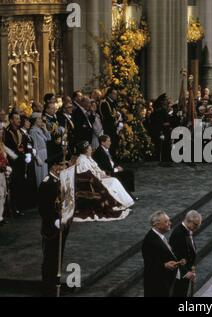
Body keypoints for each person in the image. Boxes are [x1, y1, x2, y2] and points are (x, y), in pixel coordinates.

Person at [74, 141, 133, 222]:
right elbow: (87, 176)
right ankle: (117, 203)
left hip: (100, 178)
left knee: (114, 180)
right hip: (94, 183)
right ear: (85, 150)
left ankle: (126, 202)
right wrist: (100, 176)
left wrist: (104, 174)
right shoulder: (81, 161)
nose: (91, 149)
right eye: (89, 148)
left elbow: (97, 169)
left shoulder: (89, 158)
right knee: (112, 182)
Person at [39, 160, 71, 297]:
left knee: (59, 256)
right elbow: (43, 207)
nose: (64, 167)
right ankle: (48, 286)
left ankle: (56, 282)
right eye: (62, 165)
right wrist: (54, 221)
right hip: (51, 227)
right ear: (55, 166)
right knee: (50, 257)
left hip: (62, 223)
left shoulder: (59, 180)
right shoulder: (47, 183)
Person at [142, 211, 182, 297]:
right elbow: (149, 263)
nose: (170, 223)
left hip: (165, 282)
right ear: (157, 225)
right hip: (157, 285)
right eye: (166, 221)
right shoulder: (150, 240)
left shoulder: (159, 236)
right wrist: (164, 265)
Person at [170, 210, 203, 297]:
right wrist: (185, 272)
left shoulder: (187, 231)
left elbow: (191, 251)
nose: (197, 227)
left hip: (187, 270)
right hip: (181, 272)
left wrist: (192, 270)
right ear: (189, 220)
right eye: (196, 224)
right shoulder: (178, 233)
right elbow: (175, 255)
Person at [30, 115, 52, 187]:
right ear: (35, 121)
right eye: (39, 119)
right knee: (40, 174)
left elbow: (49, 139)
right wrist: (37, 157)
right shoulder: (33, 131)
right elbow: (34, 145)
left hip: (44, 154)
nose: (41, 120)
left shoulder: (40, 130)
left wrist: (45, 129)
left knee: (44, 173)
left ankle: (44, 189)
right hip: (39, 154)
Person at [99, 88, 120, 158]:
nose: (115, 96)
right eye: (114, 94)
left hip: (114, 127)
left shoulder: (113, 102)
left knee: (113, 145)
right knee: (109, 146)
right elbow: (107, 116)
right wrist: (116, 117)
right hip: (108, 127)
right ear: (110, 94)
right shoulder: (105, 103)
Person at [0, 127, 12, 226]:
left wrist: (7, 166)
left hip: (3, 172)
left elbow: (8, 156)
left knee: (3, 194)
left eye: (2, 130)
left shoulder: (1, 144)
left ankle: (0, 216)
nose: (1, 132)